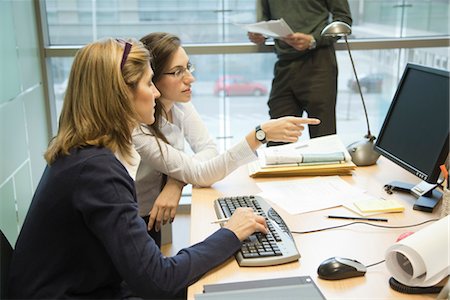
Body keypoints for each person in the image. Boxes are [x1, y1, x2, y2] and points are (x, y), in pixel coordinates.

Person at [7, 38, 269, 299]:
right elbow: (159, 281)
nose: (155, 92)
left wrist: (177, 184)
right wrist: (230, 234)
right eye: (147, 83)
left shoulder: (80, 154)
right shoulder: (97, 171)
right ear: (120, 94)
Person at [133, 32, 320, 243]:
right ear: (152, 78)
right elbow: (202, 173)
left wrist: (177, 181)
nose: (190, 78)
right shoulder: (139, 128)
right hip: (136, 216)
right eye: (177, 72)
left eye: (188, 67)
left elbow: (208, 148)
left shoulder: (179, 104)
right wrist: (259, 135)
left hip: (156, 209)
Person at [248, 0, 352, 141]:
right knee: (278, 141)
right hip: (284, 64)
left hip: (319, 63)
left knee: (323, 140)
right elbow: (265, 19)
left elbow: (343, 20)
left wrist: (313, 39)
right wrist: (260, 33)